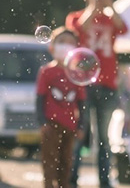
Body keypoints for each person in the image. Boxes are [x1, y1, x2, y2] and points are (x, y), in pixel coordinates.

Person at [65, 0, 128, 188]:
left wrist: (110, 5)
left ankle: (104, 180)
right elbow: (80, 27)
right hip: (84, 84)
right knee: (81, 132)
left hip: (108, 84)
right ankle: (72, 178)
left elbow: (124, 28)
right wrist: (94, 4)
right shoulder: (75, 16)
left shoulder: (110, 19)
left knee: (104, 136)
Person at [37, 27, 87, 188]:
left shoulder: (76, 73)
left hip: (70, 125)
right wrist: (42, 122)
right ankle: (48, 185)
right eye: (61, 42)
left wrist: (81, 126)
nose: (66, 46)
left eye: (71, 43)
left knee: (66, 160)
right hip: (51, 124)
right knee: (49, 159)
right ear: (52, 46)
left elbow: (82, 102)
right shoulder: (46, 71)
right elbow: (39, 98)